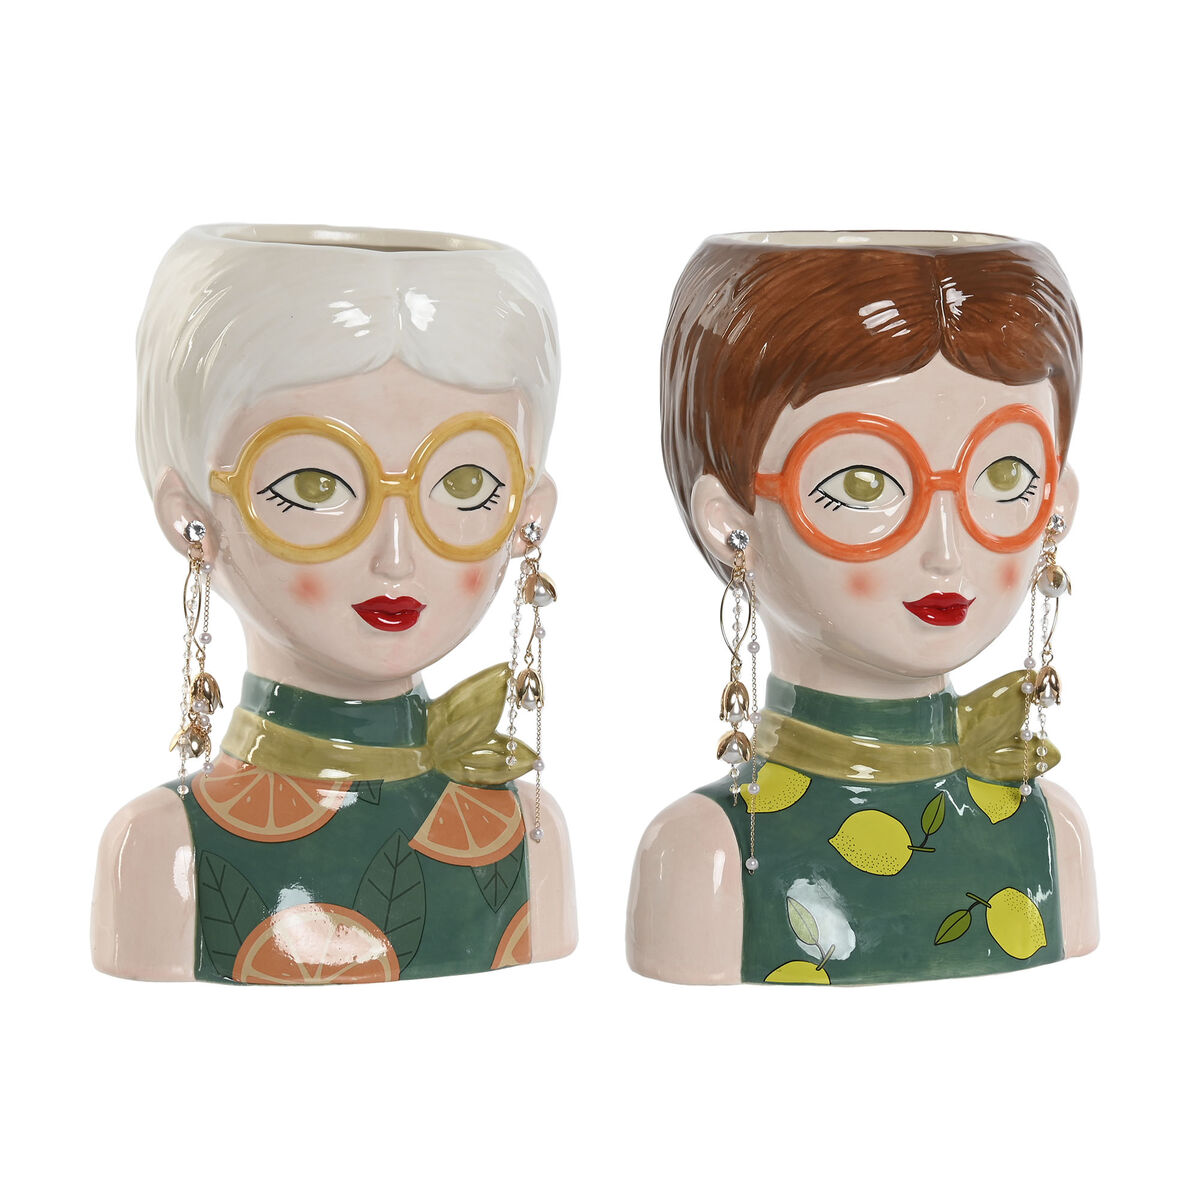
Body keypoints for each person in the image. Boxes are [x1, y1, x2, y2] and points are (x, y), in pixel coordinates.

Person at [93, 224, 577, 983]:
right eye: (316, 487)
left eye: (463, 485)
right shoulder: (166, 849)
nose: (396, 554)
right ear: (192, 520)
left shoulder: (526, 837)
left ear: (528, 517)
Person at [628, 231, 1098, 985]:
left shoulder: (1049, 837)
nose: (946, 549)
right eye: (864, 484)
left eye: (1005, 475)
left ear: (1057, 502)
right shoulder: (710, 855)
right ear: (729, 520)